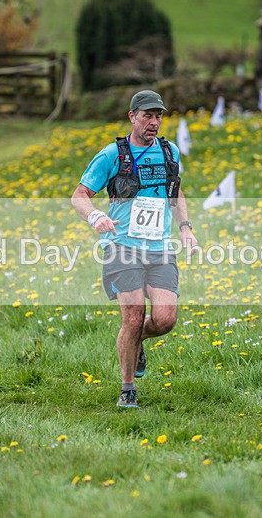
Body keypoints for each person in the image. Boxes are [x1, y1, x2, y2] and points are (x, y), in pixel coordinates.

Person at [71, 90, 198, 408]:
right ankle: (128, 388)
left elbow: (175, 192)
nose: (154, 122)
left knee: (166, 319)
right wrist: (96, 215)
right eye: (147, 116)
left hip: (159, 248)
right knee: (132, 317)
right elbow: (79, 195)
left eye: (158, 116)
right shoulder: (111, 154)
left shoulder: (170, 153)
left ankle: (136, 342)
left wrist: (186, 228)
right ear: (132, 117)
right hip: (121, 248)